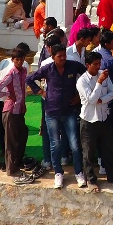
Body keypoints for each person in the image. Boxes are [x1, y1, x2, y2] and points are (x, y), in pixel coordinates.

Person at [28, 44, 87, 190]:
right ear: (53, 57)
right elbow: (30, 79)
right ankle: (58, 173)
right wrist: (41, 92)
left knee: (74, 144)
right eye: (59, 56)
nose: (62, 58)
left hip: (70, 111)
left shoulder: (73, 66)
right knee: (55, 145)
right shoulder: (47, 69)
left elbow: (87, 75)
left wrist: (79, 94)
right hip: (52, 112)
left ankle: (79, 172)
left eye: (64, 55)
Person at [76, 50, 113, 191]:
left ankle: (112, 175)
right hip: (89, 121)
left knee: (108, 148)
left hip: (104, 118)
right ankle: (91, 180)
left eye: (99, 63)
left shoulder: (103, 74)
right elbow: (92, 99)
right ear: (87, 65)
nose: (98, 66)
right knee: (88, 152)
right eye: (95, 64)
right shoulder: (82, 81)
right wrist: (99, 83)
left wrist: (102, 100)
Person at [0, 47, 30, 181]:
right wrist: (8, 94)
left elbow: (22, 90)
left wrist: (23, 104)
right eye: (17, 59)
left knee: (22, 135)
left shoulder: (23, 71)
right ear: (13, 60)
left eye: (21, 59)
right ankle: (11, 169)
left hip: (19, 110)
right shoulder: (11, 74)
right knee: (11, 141)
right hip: (10, 110)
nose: (19, 62)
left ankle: (16, 163)